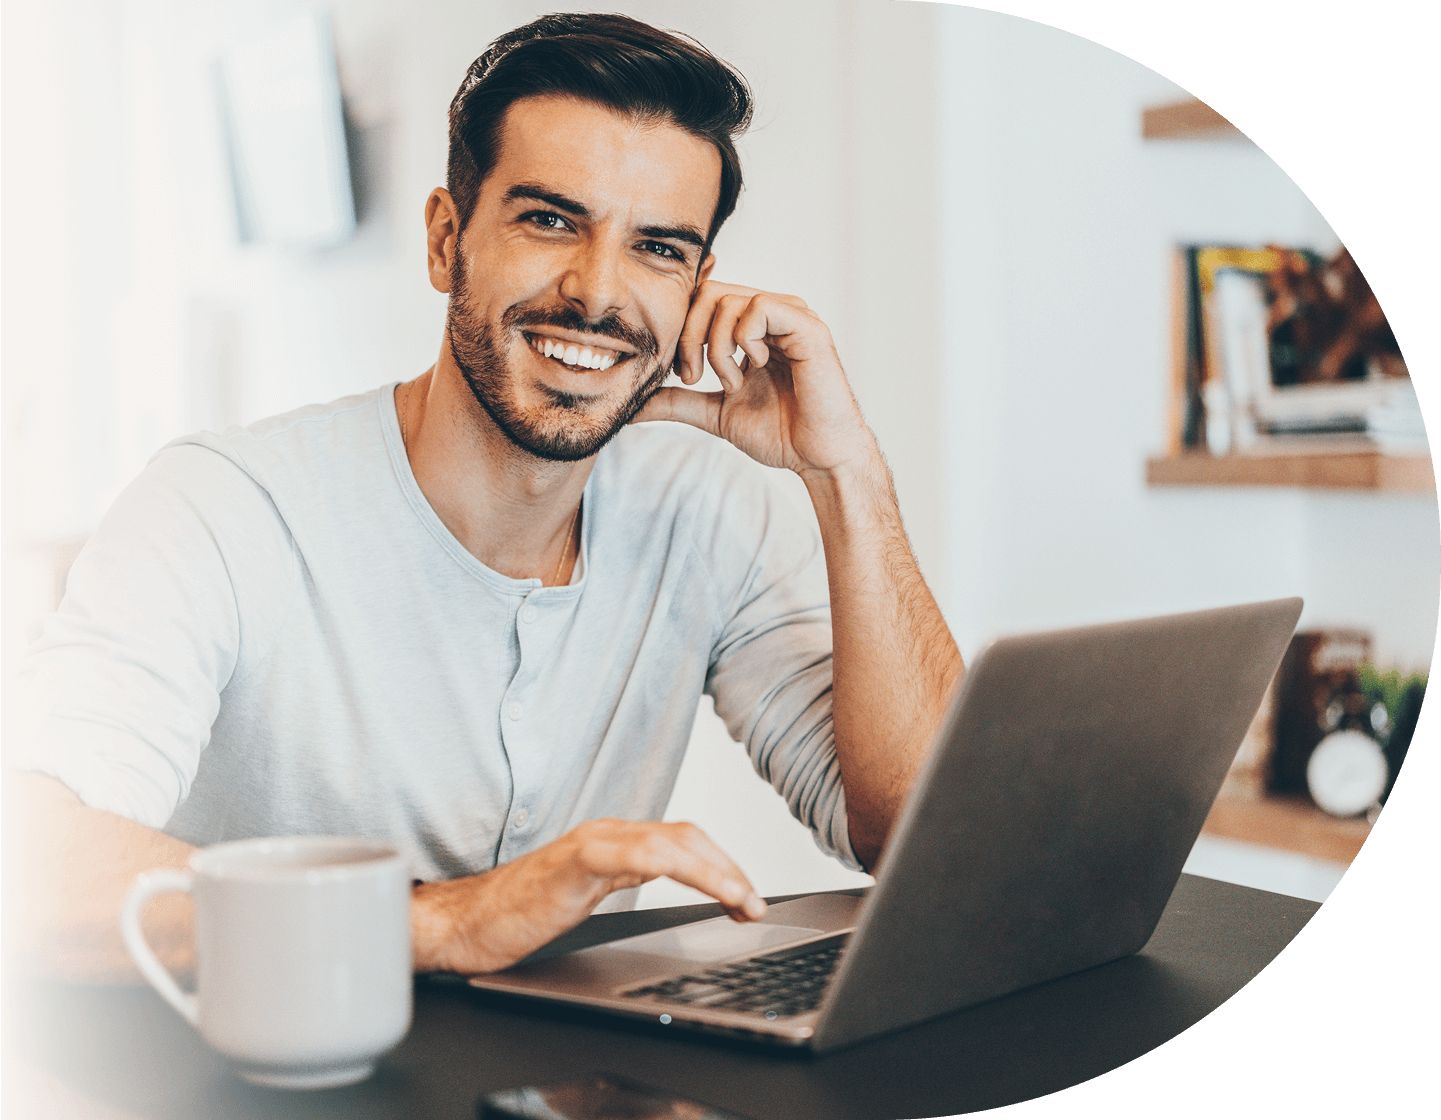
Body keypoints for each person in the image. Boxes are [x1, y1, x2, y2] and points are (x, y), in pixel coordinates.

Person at [8, 13, 962, 981]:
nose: (597, 293)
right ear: (444, 239)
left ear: (697, 289)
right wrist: (441, 924)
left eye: (658, 249)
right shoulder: (221, 509)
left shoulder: (705, 509)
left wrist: (848, 475)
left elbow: (924, 838)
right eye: (550, 220)